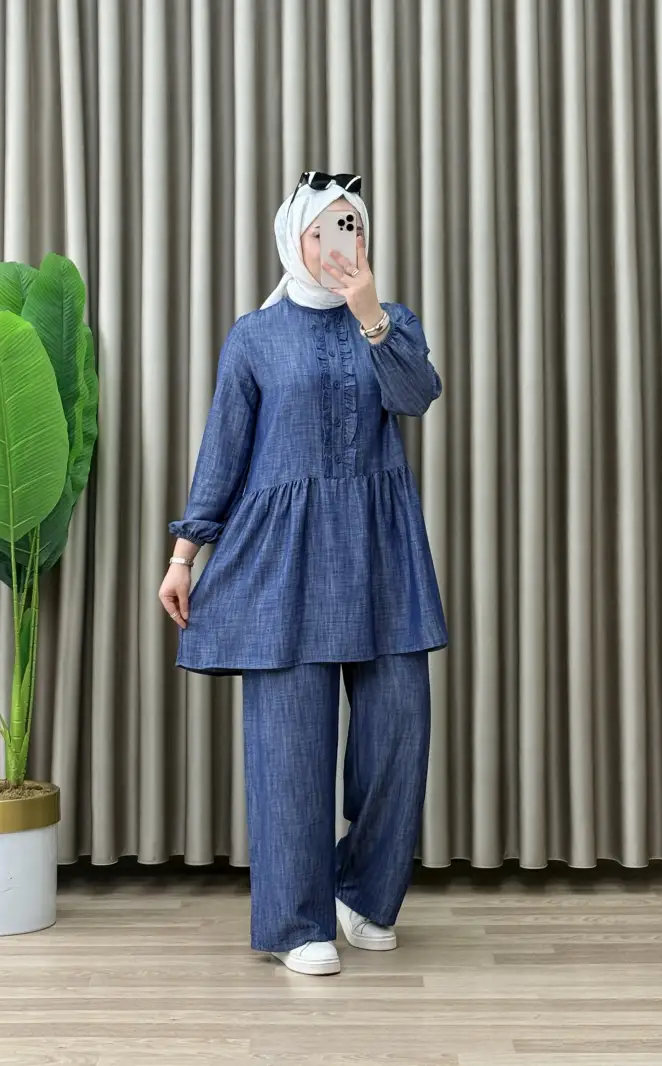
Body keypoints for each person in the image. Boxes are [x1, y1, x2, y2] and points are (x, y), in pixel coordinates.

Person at [159, 171, 447, 976]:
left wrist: (370, 315)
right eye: (323, 230)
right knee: (289, 750)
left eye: (352, 228)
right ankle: (295, 922)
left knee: (400, 734)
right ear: (295, 238)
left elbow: (417, 396)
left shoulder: (392, 322)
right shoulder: (254, 336)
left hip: (382, 557)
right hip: (282, 562)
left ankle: (362, 895)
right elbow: (223, 451)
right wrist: (185, 555)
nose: (337, 246)